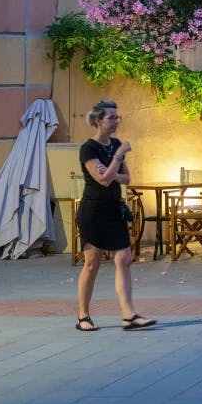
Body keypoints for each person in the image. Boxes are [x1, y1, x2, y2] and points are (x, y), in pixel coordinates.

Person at [75, 100, 155, 332]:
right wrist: (118, 157)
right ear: (99, 121)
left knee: (124, 259)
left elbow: (126, 178)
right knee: (92, 263)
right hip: (93, 211)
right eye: (111, 117)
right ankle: (83, 316)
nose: (116, 121)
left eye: (117, 117)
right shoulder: (88, 149)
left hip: (113, 208)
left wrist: (112, 169)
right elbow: (103, 179)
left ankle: (129, 315)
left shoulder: (115, 144)